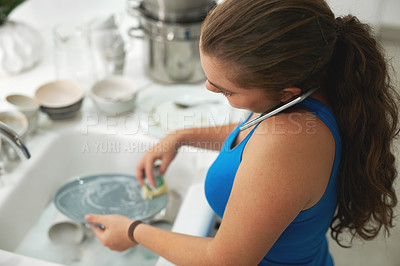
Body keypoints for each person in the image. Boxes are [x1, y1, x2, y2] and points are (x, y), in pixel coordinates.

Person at [85, 0, 400, 264]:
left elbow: (225, 260)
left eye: (225, 91)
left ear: (288, 93)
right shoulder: (307, 88)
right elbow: (250, 133)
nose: (208, 88)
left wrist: (131, 231)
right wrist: (180, 137)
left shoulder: (290, 143)